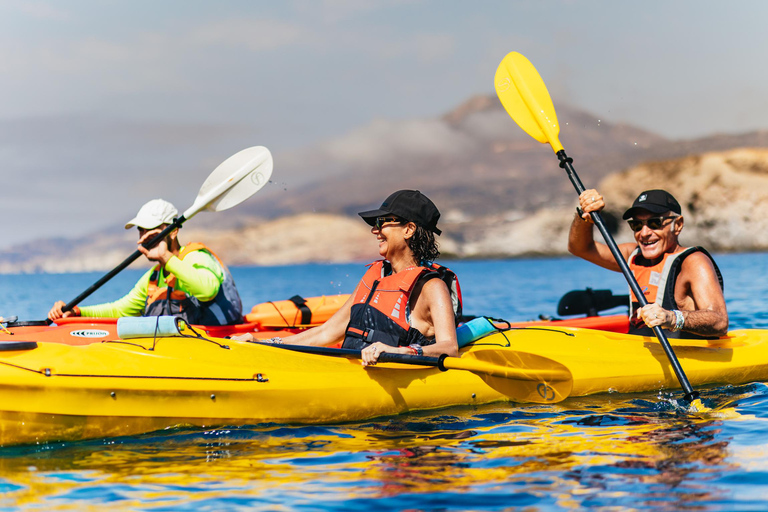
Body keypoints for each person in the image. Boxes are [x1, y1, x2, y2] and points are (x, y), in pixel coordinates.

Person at [234, 190, 462, 366]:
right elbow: (326, 332)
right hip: (351, 369)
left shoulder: (432, 287)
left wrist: (402, 351)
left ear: (408, 229)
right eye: (375, 224)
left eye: (382, 223)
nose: (375, 230)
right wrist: (261, 344)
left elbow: (449, 347)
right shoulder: (375, 277)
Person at [48, 199, 243, 326]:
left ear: (173, 231)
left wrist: (166, 257)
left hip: (218, 344)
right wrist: (77, 312)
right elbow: (121, 309)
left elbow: (207, 290)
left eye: (152, 229)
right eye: (141, 230)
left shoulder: (196, 257)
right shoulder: (153, 278)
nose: (145, 236)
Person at [568, 188, 728, 338]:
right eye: (637, 225)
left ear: (677, 225)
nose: (644, 233)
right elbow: (580, 248)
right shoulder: (632, 256)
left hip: (684, 355)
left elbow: (720, 321)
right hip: (640, 353)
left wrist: (671, 318)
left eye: (655, 223)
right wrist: (584, 216)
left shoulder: (693, 262)